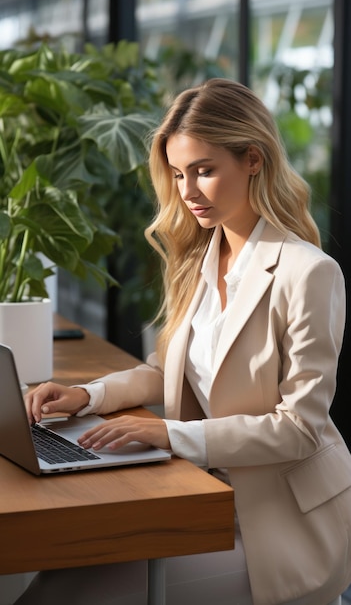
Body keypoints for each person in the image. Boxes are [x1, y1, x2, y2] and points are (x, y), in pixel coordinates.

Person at [15, 78, 351, 605]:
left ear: (254, 160)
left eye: (204, 171)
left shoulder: (309, 273)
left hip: (279, 527)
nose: (187, 191)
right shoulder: (197, 258)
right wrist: (87, 397)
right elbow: (168, 369)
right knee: (57, 580)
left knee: (68, 594)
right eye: (177, 174)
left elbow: (301, 429)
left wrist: (170, 435)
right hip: (205, 498)